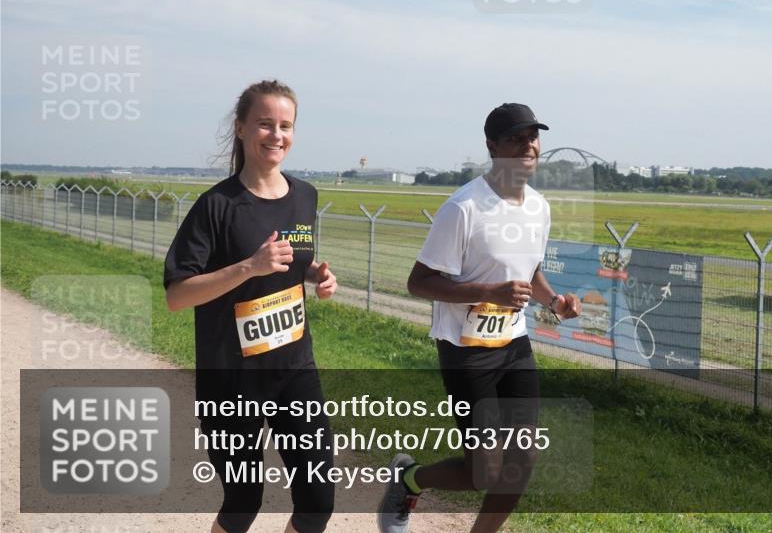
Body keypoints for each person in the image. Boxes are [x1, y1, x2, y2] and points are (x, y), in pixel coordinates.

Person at [378, 103, 581, 533]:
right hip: (466, 350)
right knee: (483, 472)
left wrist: (554, 302)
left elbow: (529, 273)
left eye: (532, 136)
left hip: (514, 343)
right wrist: (489, 292)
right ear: (492, 147)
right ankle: (408, 478)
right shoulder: (463, 208)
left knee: (523, 456)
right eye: (515, 138)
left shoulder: (539, 207)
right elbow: (420, 282)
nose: (527, 145)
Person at [164, 80, 338, 533]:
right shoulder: (216, 206)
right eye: (265, 123)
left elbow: (290, 263)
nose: (276, 134)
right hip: (231, 380)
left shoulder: (305, 196)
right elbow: (177, 295)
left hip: (295, 369)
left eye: (285, 125)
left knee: (318, 500)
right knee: (244, 500)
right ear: (241, 129)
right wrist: (248, 267)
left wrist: (314, 273)